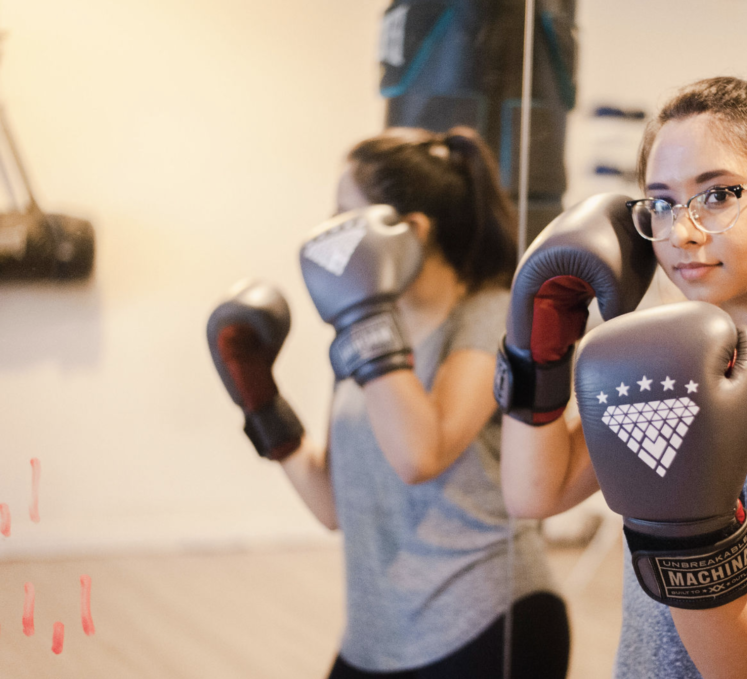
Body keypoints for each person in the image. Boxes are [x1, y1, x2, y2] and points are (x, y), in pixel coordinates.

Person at [497, 77, 747, 678]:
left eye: (718, 195)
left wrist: (681, 525)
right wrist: (538, 345)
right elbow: (536, 492)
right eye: (660, 202)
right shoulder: (683, 360)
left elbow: (744, 662)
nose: (681, 232)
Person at [208, 126, 570, 678]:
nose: (326, 234)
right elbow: (333, 506)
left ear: (409, 231)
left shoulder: (489, 317)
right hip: (376, 634)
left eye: (343, 216)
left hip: (485, 621)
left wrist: (363, 321)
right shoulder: (363, 329)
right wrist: (259, 399)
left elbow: (420, 456)